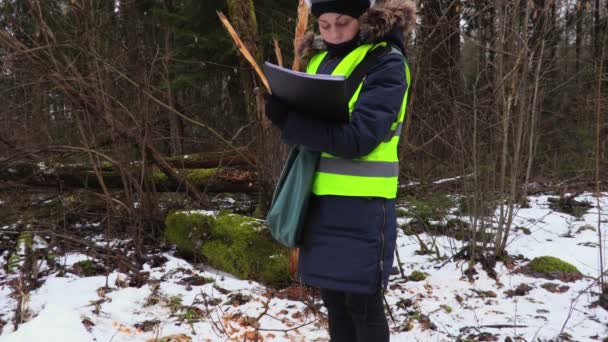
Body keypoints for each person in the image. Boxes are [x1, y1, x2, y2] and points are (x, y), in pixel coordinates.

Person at [264, 0, 416, 341]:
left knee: (363, 302)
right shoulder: (319, 59)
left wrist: (291, 121)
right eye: (325, 25)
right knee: (333, 298)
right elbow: (316, 129)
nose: (333, 33)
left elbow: (360, 139)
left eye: (343, 23)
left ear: (363, 19)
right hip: (318, 199)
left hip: (365, 205)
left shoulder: (386, 62)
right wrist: (284, 108)